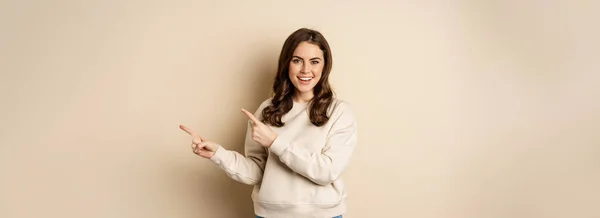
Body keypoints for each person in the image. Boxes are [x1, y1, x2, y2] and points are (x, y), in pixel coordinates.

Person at [179, 28, 357, 218]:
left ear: (325, 66)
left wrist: (275, 142)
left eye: (314, 61)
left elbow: (327, 171)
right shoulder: (268, 110)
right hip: (270, 215)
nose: (306, 70)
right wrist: (218, 154)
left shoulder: (339, 112)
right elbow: (257, 172)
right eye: (297, 60)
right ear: (286, 64)